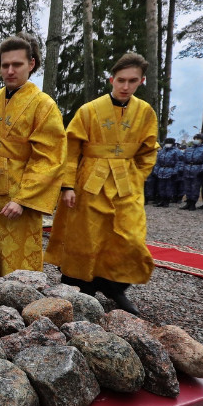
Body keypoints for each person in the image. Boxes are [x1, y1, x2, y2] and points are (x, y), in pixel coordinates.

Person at [45, 52, 160, 316]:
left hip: (126, 183)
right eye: (121, 80)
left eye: (132, 81)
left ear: (141, 81)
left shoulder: (145, 112)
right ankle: (83, 287)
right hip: (90, 181)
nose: (125, 86)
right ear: (111, 79)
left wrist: (138, 176)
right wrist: (68, 186)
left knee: (129, 237)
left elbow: (149, 150)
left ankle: (115, 285)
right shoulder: (89, 110)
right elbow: (71, 149)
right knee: (87, 236)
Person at [0, 32, 67, 279]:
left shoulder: (44, 105)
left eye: (17, 64)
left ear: (31, 64)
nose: (10, 70)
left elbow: (49, 158)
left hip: (18, 196)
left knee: (16, 260)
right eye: (5, 65)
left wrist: (23, 199)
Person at [179, 133, 203, 211]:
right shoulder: (189, 149)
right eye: (195, 138)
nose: (196, 140)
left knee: (195, 188)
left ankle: (193, 203)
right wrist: (182, 168)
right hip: (187, 169)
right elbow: (184, 160)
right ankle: (188, 202)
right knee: (187, 187)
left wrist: (202, 170)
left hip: (197, 170)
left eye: (198, 139)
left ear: (202, 140)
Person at [153, 137, 182, 207]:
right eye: (166, 143)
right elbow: (157, 162)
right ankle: (162, 200)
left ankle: (167, 201)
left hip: (170, 170)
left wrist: (175, 172)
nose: (168, 144)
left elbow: (178, 162)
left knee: (168, 187)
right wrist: (156, 171)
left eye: (169, 143)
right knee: (161, 187)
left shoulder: (176, 151)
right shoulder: (162, 151)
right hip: (161, 171)